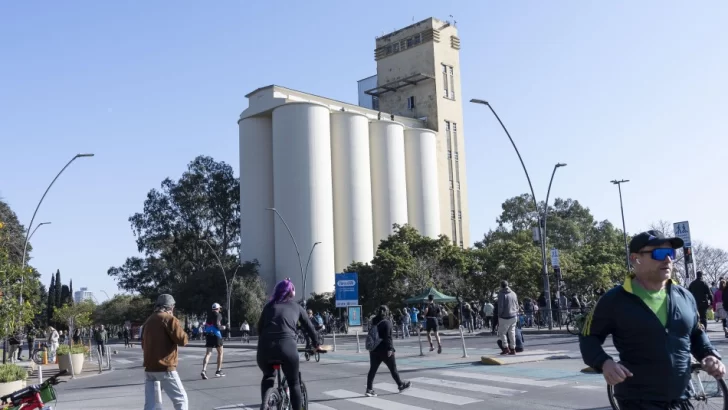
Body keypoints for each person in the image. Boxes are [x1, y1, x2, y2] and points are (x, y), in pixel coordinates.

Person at [580, 230, 725, 408]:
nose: (668, 259)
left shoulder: (685, 296)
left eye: (671, 253)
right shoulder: (614, 300)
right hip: (638, 400)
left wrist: (708, 354)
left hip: (681, 398)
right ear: (635, 259)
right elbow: (588, 337)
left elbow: (696, 333)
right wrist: (604, 362)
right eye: (659, 253)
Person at [257, 279, 320, 410]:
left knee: (268, 377)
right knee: (294, 382)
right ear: (291, 292)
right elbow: (309, 328)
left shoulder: (268, 307)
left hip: (265, 349)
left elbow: (259, 329)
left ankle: (266, 404)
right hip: (287, 348)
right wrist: (316, 344)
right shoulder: (297, 307)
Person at [142, 294, 189, 410]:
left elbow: (143, 344)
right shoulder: (168, 319)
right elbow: (183, 340)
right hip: (165, 368)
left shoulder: (148, 321)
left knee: (151, 405)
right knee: (181, 399)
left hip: (150, 368)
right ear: (171, 307)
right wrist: (176, 322)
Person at [365, 305, 411, 397]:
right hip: (385, 350)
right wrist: (390, 348)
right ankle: (400, 385)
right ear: (387, 312)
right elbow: (388, 337)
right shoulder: (387, 322)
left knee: (372, 370)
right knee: (393, 369)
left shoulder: (374, 321)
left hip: (374, 350)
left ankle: (369, 389)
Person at [201, 302, 225, 379]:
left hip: (209, 335)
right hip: (216, 335)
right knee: (220, 353)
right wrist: (222, 327)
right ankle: (218, 371)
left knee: (208, 353)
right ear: (218, 309)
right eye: (219, 308)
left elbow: (207, 325)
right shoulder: (218, 315)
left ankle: (204, 370)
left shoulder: (209, 316)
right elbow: (217, 325)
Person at [497, 280, 519, 355]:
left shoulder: (501, 294)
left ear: (501, 286)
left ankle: (506, 348)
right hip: (514, 316)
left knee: (502, 333)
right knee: (512, 332)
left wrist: (499, 315)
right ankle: (513, 349)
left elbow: (500, 307)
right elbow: (517, 305)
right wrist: (516, 311)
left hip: (504, 317)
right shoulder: (513, 293)